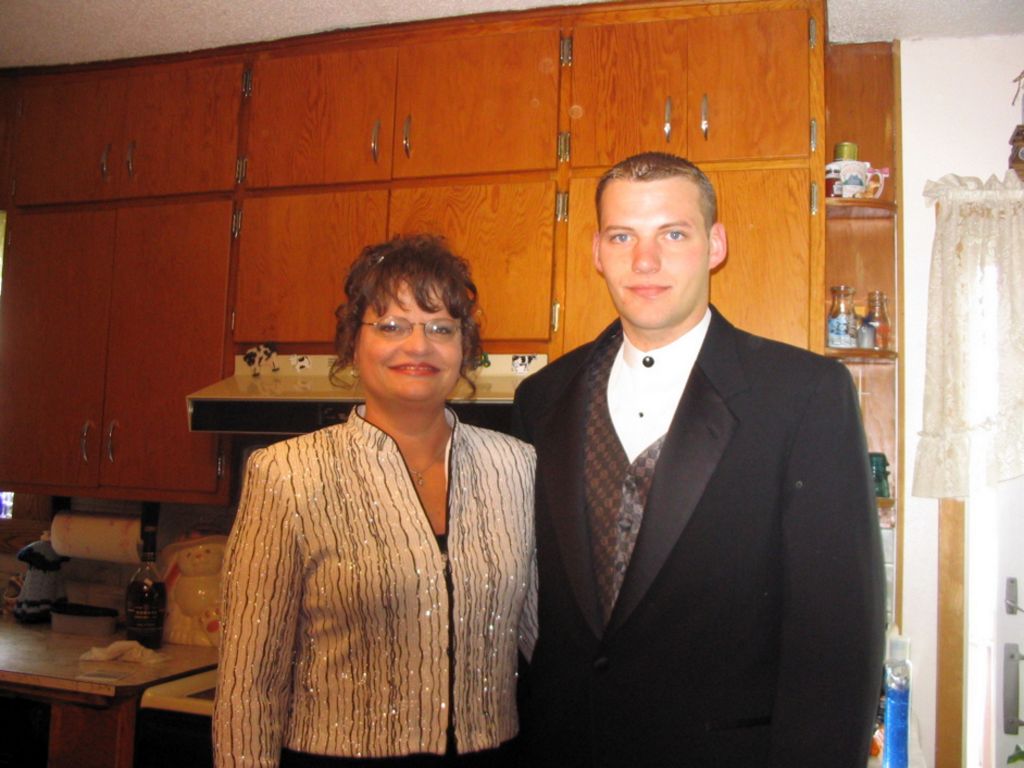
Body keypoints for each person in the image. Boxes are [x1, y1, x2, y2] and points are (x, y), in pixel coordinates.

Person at [511, 152, 885, 767]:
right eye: (622, 236)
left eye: (673, 234)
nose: (645, 261)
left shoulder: (804, 395)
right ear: (597, 252)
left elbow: (837, 637)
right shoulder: (541, 398)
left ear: (715, 245)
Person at [214, 234, 537, 768]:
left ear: (464, 348)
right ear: (352, 344)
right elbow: (249, 682)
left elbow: (544, 640)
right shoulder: (287, 474)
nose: (419, 345)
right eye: (391, 325)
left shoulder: (516, 467)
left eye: (441, 328)